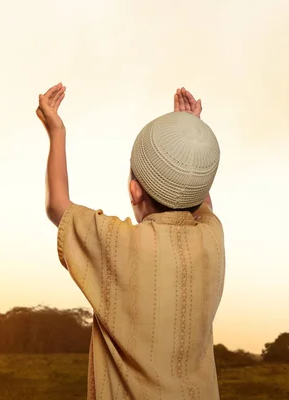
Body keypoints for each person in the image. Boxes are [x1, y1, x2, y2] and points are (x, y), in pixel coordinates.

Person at [36, 84, 225, 399]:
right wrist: (191, 137)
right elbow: (200, 199)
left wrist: (56, 132)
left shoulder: (120, 244)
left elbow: (58, 207)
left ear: (134, 191)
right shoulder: (211, 237)